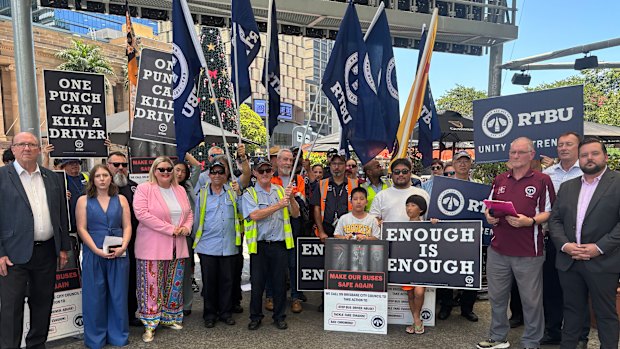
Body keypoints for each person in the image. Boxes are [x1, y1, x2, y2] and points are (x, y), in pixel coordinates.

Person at [477, 137, 555, 349]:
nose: (516, 156)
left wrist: (529, 221)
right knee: (497, 297)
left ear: (531, 155)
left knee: (531, 301)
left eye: (521, 152)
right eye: (513, 152)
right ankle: (498, 337)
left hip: (529, 251)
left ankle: (531, 341)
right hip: (498, 249)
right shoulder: (500, 179)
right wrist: (489, 216)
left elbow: (549, 211)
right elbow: (489, 206)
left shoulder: (542, 180)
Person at [0, 132, 70, 349]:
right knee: (11, 309)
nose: (27, 148)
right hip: (13, 254)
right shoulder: (2, 176)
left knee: (42, 305)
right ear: (13, 149)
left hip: (47, 252)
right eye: (21, 144)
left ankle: (37, 346)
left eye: (31, 144)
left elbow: (61, 215)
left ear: (39, 150)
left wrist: (63, 248)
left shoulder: (52, 178)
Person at [549, 137, 620, 349]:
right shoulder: (568, 187)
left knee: (605, 315)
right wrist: (565, 245)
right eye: (584, 155)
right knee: (571, 313)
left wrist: (598, 248)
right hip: (569, 262)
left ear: (606, 156)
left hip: (603, 262)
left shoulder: (617, 182)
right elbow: (555, 219)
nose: (589, 158)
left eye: (594, 153)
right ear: (579, 159)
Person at [133, 156, 194, 343]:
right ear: (154, 171)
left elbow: (189, 213)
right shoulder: (145, 189)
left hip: (178, 245)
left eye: (169, 169)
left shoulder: (180, 189)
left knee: (174, 283)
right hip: (152, 246)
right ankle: (149, 325)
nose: (166, 172)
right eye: (162, 169)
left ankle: (170, 318)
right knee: (151, 287)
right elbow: (142, 214)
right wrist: (170, 229)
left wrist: (187, 228)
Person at [540, 132, 589, 346]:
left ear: (579, 147)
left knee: (579, 290)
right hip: (553, 239)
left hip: (581, 240)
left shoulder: (587, 173)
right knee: (551, 287)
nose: (564, 148)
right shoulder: (547, 174)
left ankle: (580, 335)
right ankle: (552, 331)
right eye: (560, 144)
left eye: (569, 144)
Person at [75, 164, 132, 349]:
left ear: (111, 178)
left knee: (118, 295)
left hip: (119, 252)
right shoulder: (83, 200)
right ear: (92, 179)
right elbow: (81, 228)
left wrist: (124, 246)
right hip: (94, 252)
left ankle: (118, 335)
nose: (102, 179)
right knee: (94, 296)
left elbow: (128, 226)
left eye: (105, 175)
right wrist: (95, 250)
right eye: (98, 175)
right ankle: (95, 339)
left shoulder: (121, 199)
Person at [242, 159, 300, 331]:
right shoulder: (249, 193)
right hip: (259, 246)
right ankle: (255, 317)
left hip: (278, 245)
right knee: (258, 284)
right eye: (261, 171)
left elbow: (295, 214)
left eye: (268, 170)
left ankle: (279, 316)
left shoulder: (281, 190)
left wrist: (291, 199)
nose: (265, 173)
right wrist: (278, 205)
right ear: (255, 173)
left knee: (279, 284)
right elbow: (254, 215)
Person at [193, 160, 242, 328]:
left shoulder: (233, 191)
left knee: (227, 281)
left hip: (229, 245)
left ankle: (226, 313)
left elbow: (242, 212)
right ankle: (210, 314)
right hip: (208, 245)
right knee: (210, 282)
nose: (217, 175)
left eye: (221, 172)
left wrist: (240, 193)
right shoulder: (202, 194)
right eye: (214, 172)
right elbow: (196, 219)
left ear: (225, 175)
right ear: (209, 175)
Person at [434, 151, 479, 322]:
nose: (462, 164)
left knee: (471, 272)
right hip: (449, 236)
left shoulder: (478, 187)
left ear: (470, 164)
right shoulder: (444, 187)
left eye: (465, 161)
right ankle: (446, 306)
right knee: (447, 271)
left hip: (471, 238)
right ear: (453, 163)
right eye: (459, 161)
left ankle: (467, 308)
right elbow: (436, 209)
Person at [266, 148, 307, 313]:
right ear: (277, 161)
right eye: (285, 160)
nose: (288, 163)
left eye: (290, 160)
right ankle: (270, 295)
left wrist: (290, 197)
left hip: (292, 226)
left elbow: (298, 209)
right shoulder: (270, 177)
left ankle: (295, 297)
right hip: (273, 226)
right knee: (273, 264)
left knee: (293, 263)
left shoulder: (298, 180)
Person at [106, 151, 141, 327]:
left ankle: (129, 314)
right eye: (116, 164)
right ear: (108, 166)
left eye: (124, 165)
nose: (121, 168)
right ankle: (111, 317)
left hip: (132, 242)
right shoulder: (99, 186)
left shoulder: (135, 187)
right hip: (107, 241)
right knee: (109, 280)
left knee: (130, 279)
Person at [402, 194, 436, 335]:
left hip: (421, 265)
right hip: (406, 264)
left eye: (413, 205)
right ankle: (417, 319)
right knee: (410, 293)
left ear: (421, 210)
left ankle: (416, 319)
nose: (409, 208)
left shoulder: (427, 225)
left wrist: (435, 225)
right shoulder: (400, 226)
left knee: (419, 291)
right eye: (407, 205)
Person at [369, 158, 430, 223]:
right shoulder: (381, 196)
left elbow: (429, 219)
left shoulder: (422, 194)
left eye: (404, 171)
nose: (401, 174)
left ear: (410, 173)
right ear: (392, 174)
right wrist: (378, 222)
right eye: (397, 172)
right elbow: (373, 220)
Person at [174, 160, 198, 316]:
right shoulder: (163, 188)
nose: (179, 174)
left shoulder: (189, 185)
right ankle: (171, 304)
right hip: (168, 234)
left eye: (182, 171)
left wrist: (184, 151)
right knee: (170, 271)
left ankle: (186, 304)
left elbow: (197, 166)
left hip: (186, 234)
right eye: (176, 170)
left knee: (186, 270)